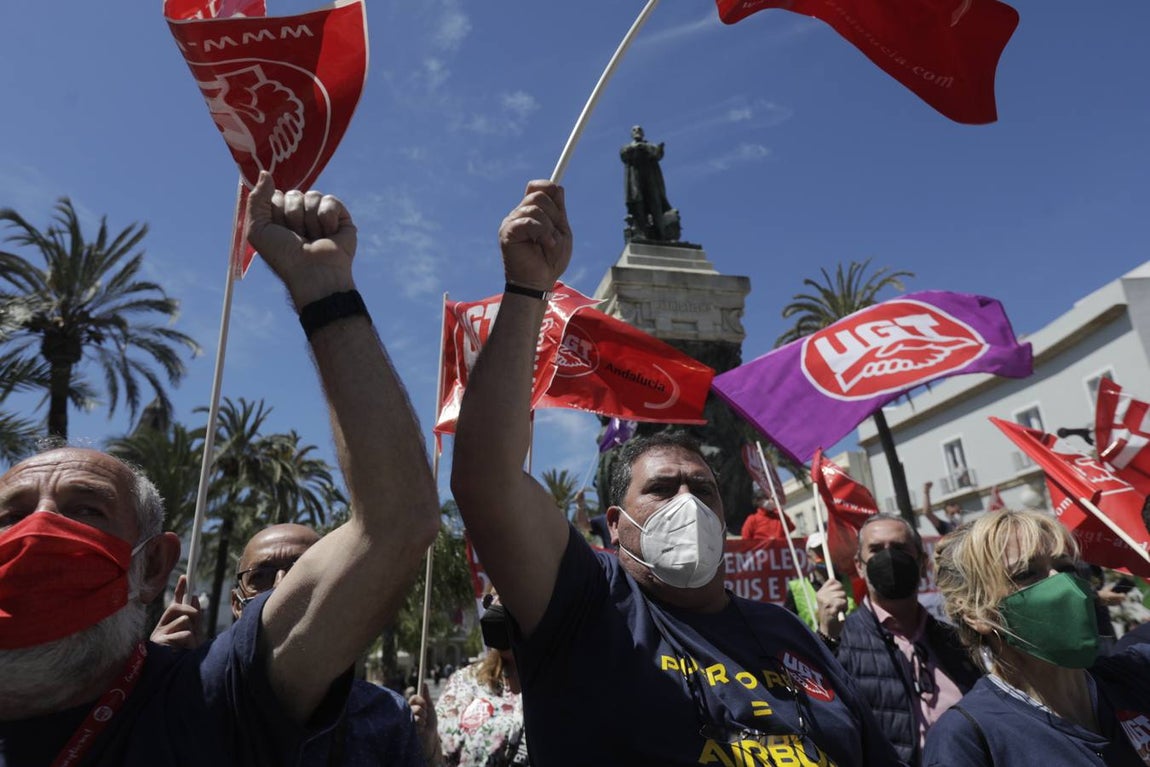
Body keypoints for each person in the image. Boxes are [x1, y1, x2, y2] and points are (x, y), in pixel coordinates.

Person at [450, 179, 902, 766]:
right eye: (662, 488)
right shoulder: (591, 610)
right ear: (614, 524)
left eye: (704, 489)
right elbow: (487, 476)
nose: (686, 502)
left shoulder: (791, 636)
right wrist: (528, 288)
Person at [0, 171, 440, 766]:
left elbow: (394, 521)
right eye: (12, 514)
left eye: (85, 510)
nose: (41, 527)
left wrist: (324, 291)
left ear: (153, 565)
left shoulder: (205, 697)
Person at [151, 523, 426, 767]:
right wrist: (147, 682)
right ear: (236, 604)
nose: (281, 587)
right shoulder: (183, 699)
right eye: (261, 576)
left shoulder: (385, 716)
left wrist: (431, 746)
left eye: (302, 573)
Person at [923, 509, 1150, 766]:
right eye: (1026, 574)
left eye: (1066, 567)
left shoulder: (1138, 672)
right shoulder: (967, 740)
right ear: (977, 613)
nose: (1061, 583)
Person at [815, 514, 981, 766]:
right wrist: (827, 638)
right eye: (876, 550)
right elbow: (817, 716)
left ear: (922, 562)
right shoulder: (841, 642)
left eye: (900, 548)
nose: (889, 557)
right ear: (859, 566)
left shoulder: (957, 640)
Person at [412, 593, 529, 767]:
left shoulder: (567, 681)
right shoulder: (465, 681)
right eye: (491, 600)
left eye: (506, 597)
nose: (497, 605)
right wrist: (429, 742)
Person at [783, 531, 856, 632]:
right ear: (809, 558)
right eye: (820, 550)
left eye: (828, 549)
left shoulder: (850, 581)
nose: (826, 555)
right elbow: (788, 626)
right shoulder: (798, 588)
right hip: (817, 645)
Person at [620, 125, 679, 242]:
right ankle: (641, 233)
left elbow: (658, 154)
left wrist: (653, 149)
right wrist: (635, 148)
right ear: (631, 134)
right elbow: (623, 155)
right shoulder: (627, 147)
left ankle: (662, 234)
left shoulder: (649, 145)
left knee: (655, 204)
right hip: (635, 179)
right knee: (638, 204)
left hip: (651, 179)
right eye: (634, 130)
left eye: (639, 130)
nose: (637, 131)